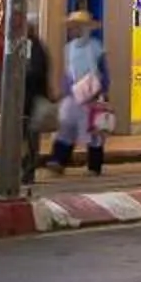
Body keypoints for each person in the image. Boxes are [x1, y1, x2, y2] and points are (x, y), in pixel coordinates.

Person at [50, 10, 111, 176]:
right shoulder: (68, 48)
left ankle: (94, 165)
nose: (72, 30)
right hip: (73, 94)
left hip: (92, 94)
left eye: (76, 27)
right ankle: (59, 160)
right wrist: (64, 90)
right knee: (66, 126)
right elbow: (68, 72)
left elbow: (104, 71)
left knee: (93, 130)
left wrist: (103, 91)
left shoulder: (96, 47)